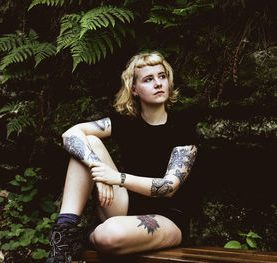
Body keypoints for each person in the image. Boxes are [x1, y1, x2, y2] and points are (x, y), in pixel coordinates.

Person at [47, 51, 198, 263]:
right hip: (122, 206)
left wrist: (117, 178)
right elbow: (69, 134)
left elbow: (168, 188)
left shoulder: (182, 128)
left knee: (110, 234)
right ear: (134, 90)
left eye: (162, 76)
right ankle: (63, 234)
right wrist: (97, 169)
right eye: (148, 79)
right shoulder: (125, 123)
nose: (158, 84)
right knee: (87, 142)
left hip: (167, 218)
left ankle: (82, 236)